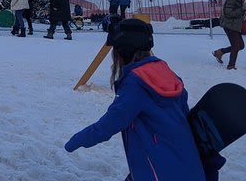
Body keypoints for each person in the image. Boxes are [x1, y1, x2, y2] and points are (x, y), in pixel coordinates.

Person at [65, 19, 206, 181]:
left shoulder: (136, 83)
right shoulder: (165, 71)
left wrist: (76, 141)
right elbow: (184, 114)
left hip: (160, 172)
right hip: (186, 162)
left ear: (122, 52)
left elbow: (111, 122)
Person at [212, 0, 244, 70]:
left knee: (240, 46)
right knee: (236, 46)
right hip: (230, 25)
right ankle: (231, 66)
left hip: (235, 25)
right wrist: (242, 9)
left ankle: (220, 52)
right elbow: (228, 13)